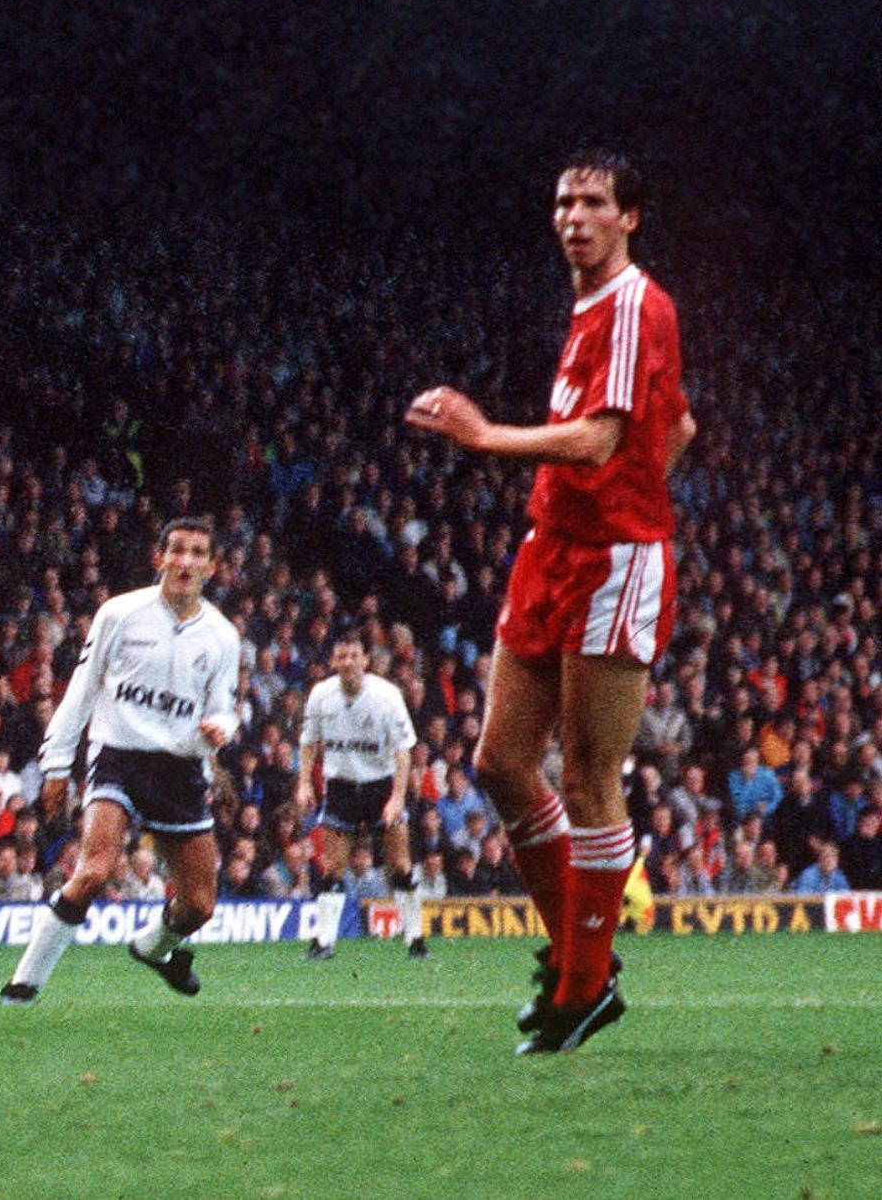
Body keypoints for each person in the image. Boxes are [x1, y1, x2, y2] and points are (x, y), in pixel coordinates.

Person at [405, 148, 693, 1055]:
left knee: (588, 776)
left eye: (595, 202)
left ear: (629, 218)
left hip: (611, 562)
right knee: (497, 761)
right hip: (553, 549)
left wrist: (485, 436)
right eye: (564, 201)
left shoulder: (636, 305)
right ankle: (579, 957)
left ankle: (581, 983)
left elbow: (603, 439)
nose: (574, 216)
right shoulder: (591, 307)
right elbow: (674, 425)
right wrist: (633, 483)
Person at [3, 519, 244, 1005]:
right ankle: (24, 984)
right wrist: (56, 764)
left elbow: (223, 705)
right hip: (118, 755)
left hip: (179, 768)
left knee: (198, 906)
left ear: (212, 567)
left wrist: (222, 728)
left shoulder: (222, 635)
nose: (186, 561)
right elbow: (82, 688)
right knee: (93, 869)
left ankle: (153, 948)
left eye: (198, 553)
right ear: (159, 558)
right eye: (177, 550)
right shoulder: (120, 614)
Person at [294, 635, 428, 960]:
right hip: (340, 786)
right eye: (342, 656)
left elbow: (402, 751)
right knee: (333, 867)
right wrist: (304, 784)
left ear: (365, 661)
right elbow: (309, 742)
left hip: (379, 785)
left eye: (355, 655)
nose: (349, 662)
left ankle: (415, 939)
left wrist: (397, 797)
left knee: (399, 864)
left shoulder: (386, 696)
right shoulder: (321, 695)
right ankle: (323, 942)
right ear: (334, 661)